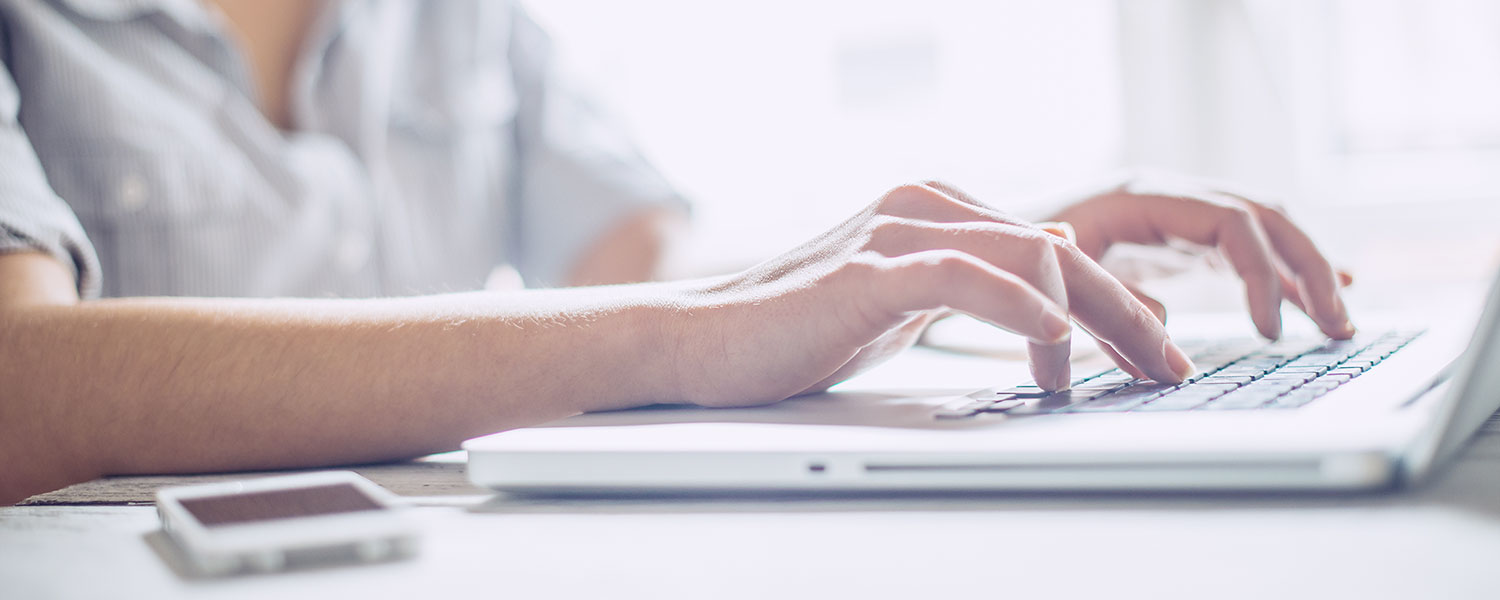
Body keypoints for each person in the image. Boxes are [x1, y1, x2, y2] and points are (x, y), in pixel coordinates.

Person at [0, 0, 1356, 505]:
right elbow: (18, 384)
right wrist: (702, 330)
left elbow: (675, 288)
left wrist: (955, 268)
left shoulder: (461, 23)